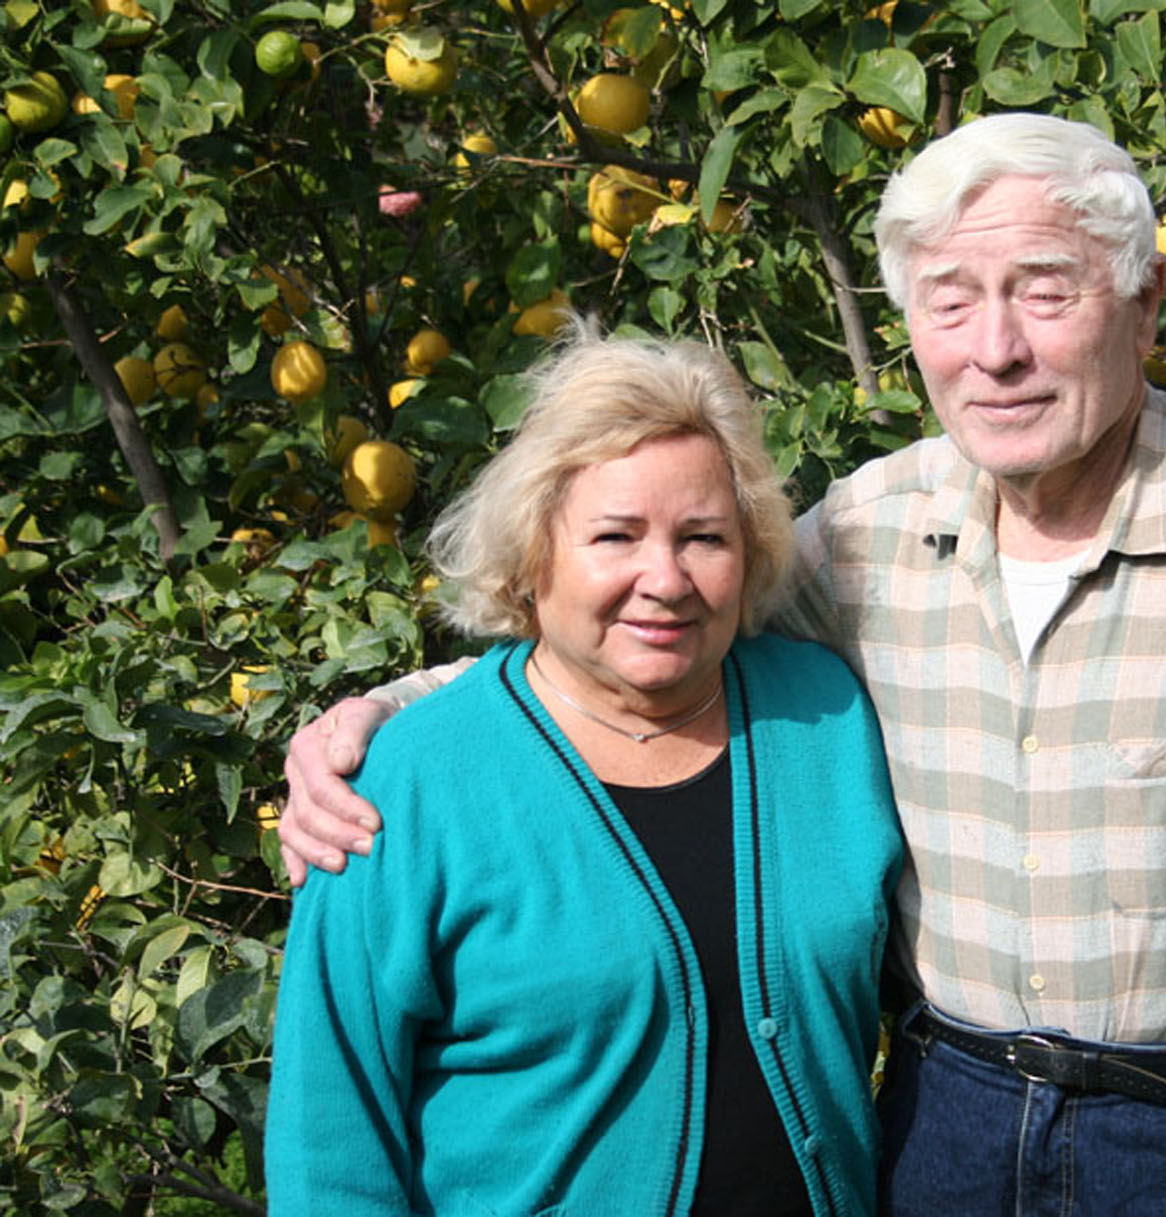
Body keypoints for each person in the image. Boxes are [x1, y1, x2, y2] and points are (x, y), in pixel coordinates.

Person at [279, 114, 1166, 1216]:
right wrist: (388, 720)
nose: (994, 348)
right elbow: (640, 644)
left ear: (1145, 304)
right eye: (949, 299)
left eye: (1044, 291)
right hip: (948, 1121)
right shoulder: (874, 532)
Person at [264, 332, 903, 1217]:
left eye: (703, 536)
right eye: (616, 536)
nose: (665, 578)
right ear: (534, 555)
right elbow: (329, 1137)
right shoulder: (406, 783)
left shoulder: (825, 717)